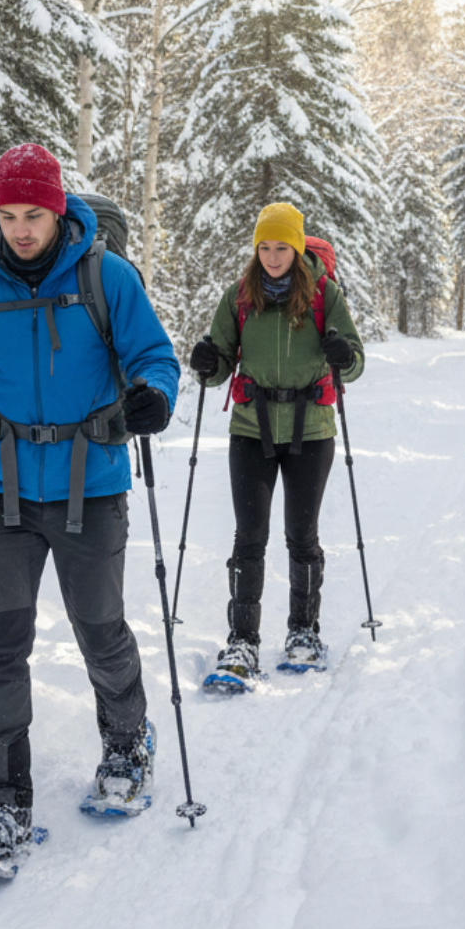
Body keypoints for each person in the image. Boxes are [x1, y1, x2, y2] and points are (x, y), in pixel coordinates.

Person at [0, 142, 179, 865]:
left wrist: (153, 398)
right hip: (3, 492)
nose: (20, 228)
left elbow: (154, 357)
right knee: (2, 646)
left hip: (93, 486)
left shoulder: (107, 278)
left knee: (100, 630)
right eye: (8, 214)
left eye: (34, 214)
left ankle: (126, 745)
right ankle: (5, 798)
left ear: (58, 210)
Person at [188, 202, 364, 683]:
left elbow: (355, 363)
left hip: (311, 430)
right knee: (249, 537)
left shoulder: (325, 295)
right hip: (251, 427)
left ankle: (303, 631)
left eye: (280, 247)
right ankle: (242, 641)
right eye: (263, 247)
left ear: (297, 246)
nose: (271, 256)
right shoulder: (240, 296)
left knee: (301, 535)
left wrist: (343, 354)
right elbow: (220, 364)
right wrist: (207, 362)